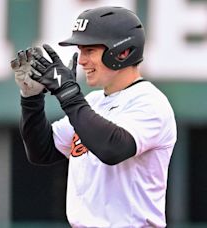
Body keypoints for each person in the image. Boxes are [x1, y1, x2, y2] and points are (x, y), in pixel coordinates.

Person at [11, 6, 177, 228]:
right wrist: (31, 99)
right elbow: (42, 151)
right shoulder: (95, 102)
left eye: (90, 50)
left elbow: (113, 148)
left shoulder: (150, 102)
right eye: (81, 51)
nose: (81, 61)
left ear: (123, 52)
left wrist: (69, 95)